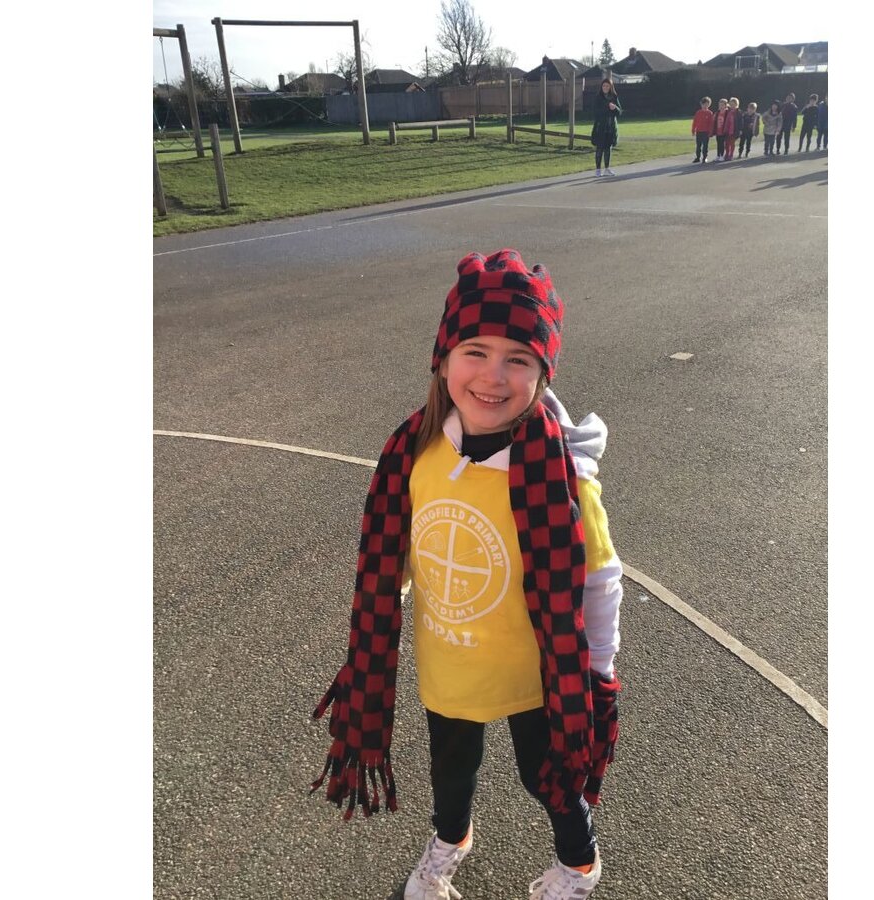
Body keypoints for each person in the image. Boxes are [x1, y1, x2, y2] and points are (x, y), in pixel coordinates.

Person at [312, 249, 625, 900]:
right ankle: (450, 841)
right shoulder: (415, 454)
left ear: (543, 372)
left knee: (550, 779)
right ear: (444, 357)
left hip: (536, 673)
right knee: (451, 773)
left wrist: (598, 673)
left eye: (519, 359)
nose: (493, 375)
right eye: (475, 351)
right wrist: (386, 603)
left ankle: (579, 865)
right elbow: (403, 552)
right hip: (449, 666)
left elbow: (599, 580)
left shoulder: (564, 480)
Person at [589, 78, 622, 177]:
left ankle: (607, 169)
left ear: (610, 87)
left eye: (607, 86)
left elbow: (620, 112)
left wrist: (615, 108)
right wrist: (607, 107)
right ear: (601, 87)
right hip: (600, 128)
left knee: (608, 149)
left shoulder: (614, 97)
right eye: (604, 86)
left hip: (611, 128)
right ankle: (598, 170)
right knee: (599, 149)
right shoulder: (598, 97)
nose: (605, 87)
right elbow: (595, 112)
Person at [691, 96, 714, 163]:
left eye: (707, 104)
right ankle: (698, 157)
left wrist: (710, 132)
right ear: (701, 104)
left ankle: (704, 157)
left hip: (706, 132)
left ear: (709, 105)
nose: (705, 106)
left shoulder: (710, 113)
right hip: (699, 131)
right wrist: (693, 130)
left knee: (705, 146)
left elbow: (711, 124)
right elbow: (695, 122)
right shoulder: (698, 112)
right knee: (698, 145)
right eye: (704, 104)